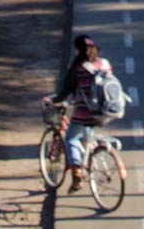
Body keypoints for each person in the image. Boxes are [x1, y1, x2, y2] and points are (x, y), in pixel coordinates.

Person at [45, 34, 113, 192]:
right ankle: (92, 154)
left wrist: (53, 101)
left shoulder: (78, 66)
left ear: (77, 49)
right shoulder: (105, 63)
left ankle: (76, 173)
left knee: (70, 137)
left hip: (86, 111)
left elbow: (66, 91)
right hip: (105, 110)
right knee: (84, 135)